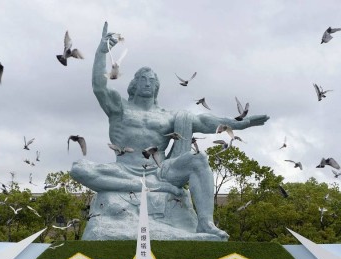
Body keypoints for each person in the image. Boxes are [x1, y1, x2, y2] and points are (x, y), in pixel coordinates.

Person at [70, 22, 269, 241]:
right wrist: (101, 51)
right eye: (143, 79)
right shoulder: (119, 107)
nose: (148, 83)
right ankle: (144, 187)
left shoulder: (168, 116)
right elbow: (99, 87)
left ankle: (206, 223)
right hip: (124, 170)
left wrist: (241, 123)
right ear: (133, 85)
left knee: (199, 159)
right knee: (79, 168)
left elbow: (204, 121)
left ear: (157, 88)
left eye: (152, 81)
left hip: (161, 171)